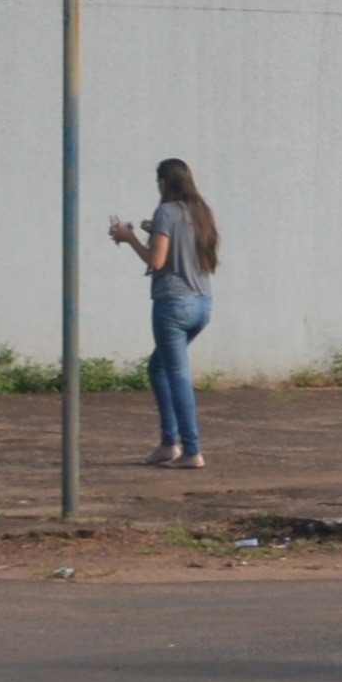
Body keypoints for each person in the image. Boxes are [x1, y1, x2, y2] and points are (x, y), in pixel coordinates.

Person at [104, 158, 221, 470]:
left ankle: (191, 449)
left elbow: (156, 261)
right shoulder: (199, 212)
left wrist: (128, 238)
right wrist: (149, 230)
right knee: (158, 368)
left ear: (163, 183)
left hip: (173, 304)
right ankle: (169, 443)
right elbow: (176, 247)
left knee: (177, 374)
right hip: (202, 303)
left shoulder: (166, 211)